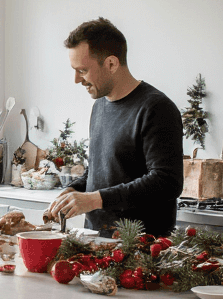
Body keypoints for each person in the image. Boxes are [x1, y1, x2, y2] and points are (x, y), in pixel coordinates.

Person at [48, 17, 183, 237]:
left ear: (111, 63)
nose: (75, 80)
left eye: (82, 70)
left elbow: (166, 182)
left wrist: (94, 199)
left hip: (142, 250)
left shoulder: (157, 108)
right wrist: (74, 190)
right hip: (96, 242)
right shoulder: (100, 105)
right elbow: (102, 171)